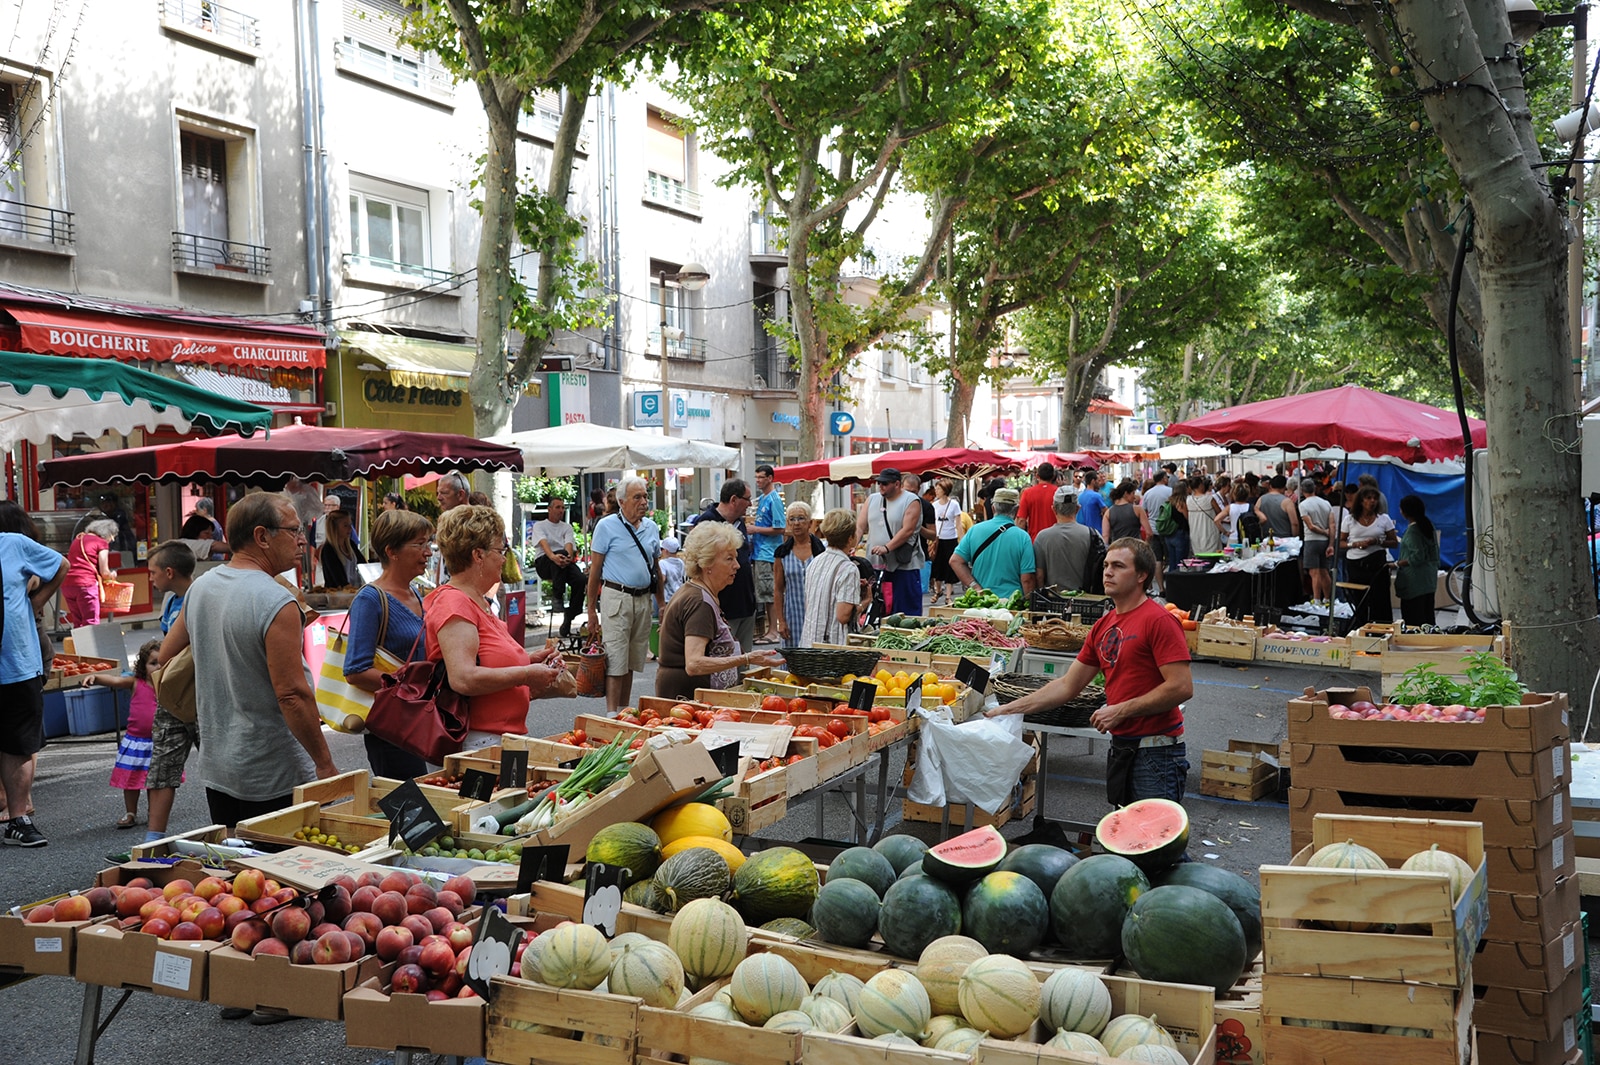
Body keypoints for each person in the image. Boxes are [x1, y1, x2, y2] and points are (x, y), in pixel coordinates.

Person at [157, 492, 338, 832]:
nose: (302, 540)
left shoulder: (202, 587)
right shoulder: (276, 600)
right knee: (284, 874)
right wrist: (324, 763)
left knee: (239, 875)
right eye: (293, 530)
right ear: (261, 537)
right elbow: (292, 694)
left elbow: (166, 655)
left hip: (218, 765)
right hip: (273, 771)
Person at [991, 538, 1193, 809]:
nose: (1108, 572)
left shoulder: (1159, 621)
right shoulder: (1103, 625)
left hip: (1156, 753)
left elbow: (1181, 687)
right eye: (1106, 565)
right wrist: (1010, 708)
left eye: (1119, 566)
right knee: (1128, 840)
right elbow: (1067, 685)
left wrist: (1120, 710)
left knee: (1155, 846)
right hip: (1122, 747)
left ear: (1142, 576)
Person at [429, 505, 564, 746]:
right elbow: (463, 678)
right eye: (500, 550)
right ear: (478, 555)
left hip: (495, 739)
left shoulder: (477, 600)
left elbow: (489, 662)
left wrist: (528, 661)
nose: (504, 558)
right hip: (476, 743)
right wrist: (525, 673)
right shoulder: (455, 602)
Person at [342, 509, 435, 779]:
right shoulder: (370, 599)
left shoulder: (416, 593)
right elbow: (355, 670)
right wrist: (407, 686)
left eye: (427, 543)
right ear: (392, 551)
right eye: (419, 544)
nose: (427, 552)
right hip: (391, 728)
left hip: (420, 720)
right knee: (409, 809)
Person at [657, 522, 784, 699]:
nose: (737, 565)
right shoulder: (699, 601)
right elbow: (694, 664)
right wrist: (746, 659)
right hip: (688, 700)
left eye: (736, 558)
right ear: (707, 564)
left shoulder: (700, 592)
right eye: (729, 558)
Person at [0, 517, 64, 847]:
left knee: (20, 745)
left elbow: (60, 565)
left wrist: (38, 601)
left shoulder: (13, 543)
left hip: (16, 664)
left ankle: (18, 818)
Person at [586, 477, 665, 712]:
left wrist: (661, 604)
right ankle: (611, 713)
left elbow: (656, 569)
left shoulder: (651, 527)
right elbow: (595, 571)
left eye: (645, 496)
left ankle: (624, 710)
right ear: (621, 501)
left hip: (643, 599)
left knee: (631, 660)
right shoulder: (606, 525)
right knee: (615, 659)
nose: (644, 501)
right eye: (637, 497)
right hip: (616, 597)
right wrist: (591, 611)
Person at [142, 541, 198, 844]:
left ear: (169, 571)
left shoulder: (199, 597)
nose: (150, 579)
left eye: (153, 572)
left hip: (202, 693)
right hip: (173, 695)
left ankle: (232, 833)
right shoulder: (169, 601)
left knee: (220, 766)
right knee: (163, 765)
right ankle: (153, 839)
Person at [88, 639, 162, 829]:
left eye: (162, 662)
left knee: (155, 782)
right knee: (131, 780)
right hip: (136, 742)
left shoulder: (168, 685)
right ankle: (131, 812)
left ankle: (154, 812)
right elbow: (116, 680)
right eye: (153, 663)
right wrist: (96, 677)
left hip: (158, 741)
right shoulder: (136, 682)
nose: (158, 667)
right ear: (143, 666)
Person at [693, 480, 760, 650]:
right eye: (747, 499)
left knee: (743, 663)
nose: (750, 504)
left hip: (745, 604)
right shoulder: (706, 523)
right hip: (723, 608)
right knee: (723, 663)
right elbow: (699, 565)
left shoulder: (739, 522)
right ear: (734, 500)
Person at [858, 467, 926, 617]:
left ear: (897, 484)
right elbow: (860, 526)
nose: (881, 486)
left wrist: (887, 547)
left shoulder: (911, 500)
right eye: (879, 483)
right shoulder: (872, 499)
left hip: (903, 565)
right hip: (876, 564)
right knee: (879, 608)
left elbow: (908, 530)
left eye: (885, 483)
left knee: (905, 610)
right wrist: (853, 546)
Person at [950, 487, 1036, 598]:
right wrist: (1027, 602)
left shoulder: (975, 530)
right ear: (1017, 510)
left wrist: (975, 587)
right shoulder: (1023, 537)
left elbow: (955, 561)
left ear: (993, 508)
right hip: (1012, 605)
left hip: (981, 603)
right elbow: (1027, 579)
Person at [802, 509, 867, 647]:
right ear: (850, 538)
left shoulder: (815, 561)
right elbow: (843, 616)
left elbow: (811, 603)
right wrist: (866, 602)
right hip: (832, 646)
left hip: (810, 640)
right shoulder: (848, 568)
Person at [1340, 486, 1399, 628]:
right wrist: (1354, 544)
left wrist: (1377, 541)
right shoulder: (1349, 519)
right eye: (1368, 498)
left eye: (1374, 498)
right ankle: (1360, 628)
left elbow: (1394, 543)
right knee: (1360, 600)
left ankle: (1381, 629)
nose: (1372, 501)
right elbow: (1341, 542)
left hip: (1376, 563)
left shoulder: (1384, 519)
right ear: (1361, 501)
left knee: (1380, 599)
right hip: (1356, 564)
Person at [531, 498, 586, 637]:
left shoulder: (566, 527)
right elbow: (543, 544)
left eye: (562, 507)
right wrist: (554, 556)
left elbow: (569, 544)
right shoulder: (540, 525)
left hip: (562, 564)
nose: (561, 510)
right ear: (549, 509)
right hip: (544, 561)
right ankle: (557, 595)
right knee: (559, 555)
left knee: (580, 579)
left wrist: (567, 557)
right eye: (557, 507)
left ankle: (571, 614)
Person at [771, 502, 822, 644]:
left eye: (801, 518)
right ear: (788, 523)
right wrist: (781, 620)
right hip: (792, 615)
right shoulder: (782, 553)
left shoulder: (821, 551)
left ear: (810, 523)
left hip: (817, 615)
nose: (797, 523)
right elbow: (778, 589)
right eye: (792, 519)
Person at [748, 464, 786, 644]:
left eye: (761, 477)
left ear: (770, 478)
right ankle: (769, 629)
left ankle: (773, 630)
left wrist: (755, 529)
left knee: (769, 593)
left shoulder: (774, 499)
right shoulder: (763, 498)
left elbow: (780, 528)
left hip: (768, 552)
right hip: (760, 551)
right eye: (756, 478)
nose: (758, 481)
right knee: (763, 593)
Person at [1034, 488, 1095, 591]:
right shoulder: (1092, 535)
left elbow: (1039, 575)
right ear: (1078, 508)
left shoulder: (1042, 537)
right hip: (1085, 600)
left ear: (1053, 509)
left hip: (1053, 599)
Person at [61, 518, 118, 627]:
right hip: (86, 585)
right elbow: (104, 572)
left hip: (68, 585)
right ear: (107, 533)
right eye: (113, 536)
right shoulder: (101, 543)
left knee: (78, 623)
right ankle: (91, 644)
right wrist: (112, 575)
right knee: (91, 622)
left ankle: (78, 644)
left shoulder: (78, 539)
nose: (112, 540)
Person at [1395, 494, 1440, 626]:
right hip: (1428, 581)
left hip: (1415, 582)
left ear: (1405, 512)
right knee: (1428, 617)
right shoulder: (1428, 525)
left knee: (1414, 619)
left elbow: (1417, 556)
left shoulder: (1413, 532)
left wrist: (1398, 563)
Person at [1296, 476, 1334, 603]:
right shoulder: (1326, 503)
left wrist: (1322, 531)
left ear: (1302, 490)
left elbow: (1310, 526)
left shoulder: (1303, 505)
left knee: (1314, 572)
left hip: (1312, 541)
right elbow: (1332, 525)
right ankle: (1328, 599)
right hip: (1325, 541)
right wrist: (1331, 543)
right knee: (1324, 571)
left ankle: (1317, 599)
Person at [929, 479, 963, 604]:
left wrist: (962, 540)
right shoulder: (934, 505)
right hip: (939, 539)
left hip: (951, 539)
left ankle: (948, 596)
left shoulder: (954, 504)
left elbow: (958, 524)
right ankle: (938, 591)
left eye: (939, 489)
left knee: (949, 567)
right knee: (937, 566)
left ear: (945, 490)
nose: (936, 491)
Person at [319, 508, 366, 589]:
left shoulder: (351, 544)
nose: (350, 528)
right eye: (345, 525)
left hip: (355, 591)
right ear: (334, 527)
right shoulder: (329, 550)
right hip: (339, 596)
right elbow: (338, 579)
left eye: (350, 525)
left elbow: (363, 564)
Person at [1017, 463, 1061, 539]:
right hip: (1056, 540)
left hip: (1035, 539)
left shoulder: (1027, 493)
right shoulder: (1059, 492)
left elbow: (1021, 521)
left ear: (1037, 476)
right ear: (1053, 476)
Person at [1186, 475, 1225, 556]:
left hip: (1195, 534)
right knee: (1213, 556)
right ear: (1200, 485)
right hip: (1210, 532)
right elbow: (1220, 513)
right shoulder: (1209, 499)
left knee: (1199, 558)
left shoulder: (1188, 500)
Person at [1076, 470, 1108, 534]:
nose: (1099, 483)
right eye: (1098, 480)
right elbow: (1106, 512)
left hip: (1083, 531)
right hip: (1096, 531)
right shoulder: (1096, 496)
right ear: (1093, 481)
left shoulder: (1080, 496)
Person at [659, 538, 686, 602]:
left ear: (666, 551)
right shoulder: (680, 562)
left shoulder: (662, 563)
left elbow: (662, 579)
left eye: (661, 549)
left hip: (668, 599)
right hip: (679, 595)